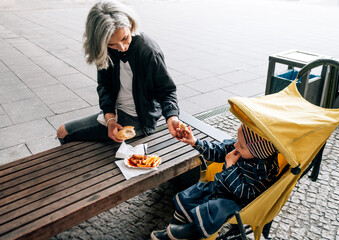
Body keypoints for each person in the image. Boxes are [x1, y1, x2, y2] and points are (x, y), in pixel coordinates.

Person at [57, 0, 181, 144]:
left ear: (131, 25)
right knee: (65, 132)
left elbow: (167, 90)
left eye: (125, 38)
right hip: (116, 113)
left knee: (64, 132)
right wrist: (109, 118)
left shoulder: (148, 51)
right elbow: (104, 86)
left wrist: (172, 117)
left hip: (138, 118)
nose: (121, 47)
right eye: (112, 44)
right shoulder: (105, 50)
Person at [151, 124, 280, 240]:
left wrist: (230, 166)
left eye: (240, 145)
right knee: (194, 193)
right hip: (221, 187)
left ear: (258, 154)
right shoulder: (243, 147)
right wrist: (195, 142)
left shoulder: (262, 171)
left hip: (237, 201)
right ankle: (175, 228)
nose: (235, 145)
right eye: (237, 141)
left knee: (217, 209)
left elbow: (245, 193)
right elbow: (219, 149)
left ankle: (189, 231)